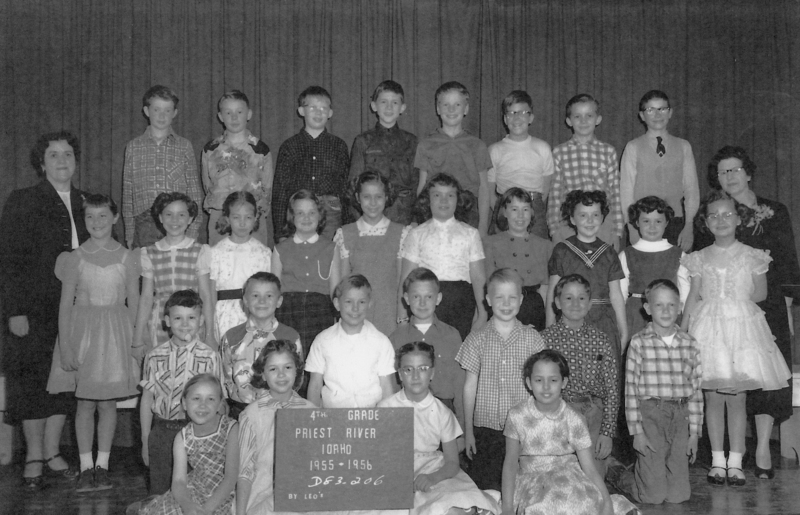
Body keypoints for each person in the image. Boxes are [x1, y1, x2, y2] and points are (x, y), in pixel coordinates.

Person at [696, 145, 800, 479]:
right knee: (732, 376)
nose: (729, 177)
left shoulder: (775, 209)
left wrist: (785, 300)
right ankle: (731, 452)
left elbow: (786, 260)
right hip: (726, 304)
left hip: (766, 302)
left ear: (749, 172)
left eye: (735, 169)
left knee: (765, 374)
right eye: (723, 172)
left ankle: (762, 451)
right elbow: (704, 261)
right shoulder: (714, 211)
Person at [681, 191, 791, 486]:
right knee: (712, 396)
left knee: (738, 397)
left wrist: (734, 303)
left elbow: (761, 293)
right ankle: (718, 461)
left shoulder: (753, 254)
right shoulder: (699, 258)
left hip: (741, 330)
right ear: (705, 222)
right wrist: (682, 330)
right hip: (708, 330)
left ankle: (737, 462)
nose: (721, 220)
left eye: (727, 214)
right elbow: (693, 296)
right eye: (714, 215)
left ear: (739, 218)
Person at [0, 131, 88, 488]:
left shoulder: (88, 201)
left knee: (64, 379)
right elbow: (9, 259)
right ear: (41, 163)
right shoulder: (23, 200)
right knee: (31, 380)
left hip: (78, 306)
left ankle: (53, 451)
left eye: (68, 153)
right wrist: (14, 309)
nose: (62, 160)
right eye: (54, 155)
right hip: (33, 307)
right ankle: (34, 455)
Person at [46, 194, 140, 492]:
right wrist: (66, 346)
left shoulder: (128, 256)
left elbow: (135, 302)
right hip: (82, 334)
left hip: (115, 335)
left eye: (103, 216)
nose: (96, 222)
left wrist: (138, 342)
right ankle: (86, 465)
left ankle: (103, 464)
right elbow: (64, 305)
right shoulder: (75, 257)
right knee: (84, 402)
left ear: (114, 218)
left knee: (108, 402)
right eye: (90, 217)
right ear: (83, 221)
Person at [502, 349, 638, 515]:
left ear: (564, 382)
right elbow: (510, 464)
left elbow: (589, 467)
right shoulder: (517, 415)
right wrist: (507, 509)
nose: (546, 387)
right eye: (538, 380)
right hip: (533, 480)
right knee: (547, 504)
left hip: (569, 478)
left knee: (587, 502)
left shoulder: (574, 418)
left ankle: (615, 506)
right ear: (529, 383)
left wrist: (607, 502)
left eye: (553, 380)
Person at [377, 342, 500, 514]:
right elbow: (377, 454)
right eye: (408, 369)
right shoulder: (385, 407)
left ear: (432, 373)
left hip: (432, 468)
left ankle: (477, 503)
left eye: (422, 368)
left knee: (451, 507)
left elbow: (452, 462)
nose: (415, 376)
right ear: (399, 375)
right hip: (395, 470)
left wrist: (433, 478)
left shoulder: (442, 412)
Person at [456, 268, 545, 491]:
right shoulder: (476, 338)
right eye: (499, 297)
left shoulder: (533, 339)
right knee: (486, 487)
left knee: (520, 487)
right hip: (484, 428)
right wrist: (468, 431)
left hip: (523, 428)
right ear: (487, 300)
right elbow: (469, 386)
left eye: (512, 297)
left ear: (521, 300)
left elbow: (541, 387)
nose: (506, 303)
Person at [616, 279, 702, 504]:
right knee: (652, 497)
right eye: (659, 305)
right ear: (647, 309)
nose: (666, 311)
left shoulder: (689, 343)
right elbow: (631, 391)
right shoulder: (638, 342)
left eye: (671, 305)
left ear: (680, 307)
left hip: (681, 417)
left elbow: (695, 390)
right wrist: (637, 432)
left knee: (679, 496)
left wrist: (694, 433)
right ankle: (618, 474)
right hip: (651, 415)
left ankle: (649, 470)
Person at [139, 290, 225, 495]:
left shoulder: (210, 357)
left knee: (194, 491)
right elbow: (147, 399)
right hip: (161, 433)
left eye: (191, 318)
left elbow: (219, 403)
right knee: (159, 492)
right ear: (167, 321)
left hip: (196, 431)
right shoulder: (153, 356)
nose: (185, 324)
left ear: (201, 320)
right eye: (178, 318)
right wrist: (145, 439)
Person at [541, 274, 619, 478]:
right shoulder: (545, 339)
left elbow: (612, 388)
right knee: (561, 477)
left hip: (594, 414)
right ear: (557, 303)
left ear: (590, 303)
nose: (575, 303)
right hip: (559, 413)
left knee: (594, 478)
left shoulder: (601, 339)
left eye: (581, 298)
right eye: (568, 298)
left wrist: (607, 432)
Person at [400, 173, 487, 340]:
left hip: (461, 303)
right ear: (427, 200)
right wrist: (402, 317)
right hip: (426, 300)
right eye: (437, 195)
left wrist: (482, 314)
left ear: (458, 199)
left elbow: (478, 278)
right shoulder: (416, 234)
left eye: (450, 195)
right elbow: (406, 279)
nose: (444, 200)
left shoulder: (470, 233)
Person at [138, 374, 238, 515]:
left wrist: (207, 509)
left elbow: (231, 477)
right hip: (195, 490)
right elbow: (178, 481)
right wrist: (187, 506)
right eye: (196, 398)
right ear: (184, 403)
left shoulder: (231, 428)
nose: (202, 405)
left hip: (225, 494)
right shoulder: (183, 437)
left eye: (210, 399)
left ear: (219, 404)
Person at [237, 340, 316, 515]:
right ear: (263, 375)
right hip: (263, 501)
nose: (281, 374)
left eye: (287, 367)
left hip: (304, 496)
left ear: (297, 371)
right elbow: (245, 471)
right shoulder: (251, 415)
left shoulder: (311, 412)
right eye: (273, 369)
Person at [546, 190, 628, 359]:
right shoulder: (562, 250)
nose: (590, 221)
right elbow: (552, 293)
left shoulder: (609, 252)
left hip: (604, 322)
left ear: (602, 218)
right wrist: (549, 328)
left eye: (595, 215)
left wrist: (623, 328)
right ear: (572, 219)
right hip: (571, 320)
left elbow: (616, 295)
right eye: (583, 215)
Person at [132, 192, 216, 352]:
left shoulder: (199, 251)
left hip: (191, 320)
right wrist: (137, 337)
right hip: (161, 322)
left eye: (181, 214)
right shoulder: (150, 252)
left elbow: (206, 295)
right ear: (160, 218)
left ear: (190, 218)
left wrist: (210, 334)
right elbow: (146, 297)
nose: (175, 220)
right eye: (169, 214)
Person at [122, 85, 203, 248]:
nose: (161, 115)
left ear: (174, 113)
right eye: (156, 109)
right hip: (144, 224)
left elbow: (194, 191)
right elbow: (127, 193)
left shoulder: (184, 146)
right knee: (148, 271)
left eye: (167, 110)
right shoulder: (133, 147)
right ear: (146, 111)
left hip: (178, 223)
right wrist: (130, 233)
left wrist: (193, 230)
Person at [620, 90, 699, 252]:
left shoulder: (684, 146)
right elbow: (626, 190)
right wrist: (632, 229)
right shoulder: (633, 147)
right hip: (643, 223)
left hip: (675, 223)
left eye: (662, 109)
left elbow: (691, 188)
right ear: (642, 116)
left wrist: (689, 225)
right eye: (650, 110)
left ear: (670, 113)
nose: (657, 114)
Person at [334, 171, 410, 335]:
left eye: (379, 197)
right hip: (357, 312)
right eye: (367, 197)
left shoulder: (400, 233)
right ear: (357, 197)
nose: (373, 202)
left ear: (387, 197)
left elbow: (401, 282)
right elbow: (344, 282)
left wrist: (402, 316)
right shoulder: (345, 234)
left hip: (389, 312)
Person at [389, 268, 465, 431]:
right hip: (408, 413)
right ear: (406, 299)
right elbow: (393, 387)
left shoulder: (452, 336)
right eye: (416, 297)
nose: (422, 303)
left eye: (428, 297)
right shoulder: (396, 338)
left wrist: (462, 429)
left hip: (444, 413)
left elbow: (459, 385)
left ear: (438, 299)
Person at [272, 85, 350, 241]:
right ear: (301, 111)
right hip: (299, 212)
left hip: (331, 213)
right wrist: (281, 231)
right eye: (312, 107)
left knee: (330, 257)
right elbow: (280, 190)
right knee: (300, 260)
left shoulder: (339, 145)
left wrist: (347, 225)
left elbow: (345, 187)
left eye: (323, 108)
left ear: (330, 113)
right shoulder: (290, 146)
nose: (318, 112)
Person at [306, 274, 396, 408]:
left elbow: (387, 387)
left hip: (371, 417)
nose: (355, 308)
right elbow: (315, 385)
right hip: (333, 416)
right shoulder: (322, 340)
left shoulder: (381, 342)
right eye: (348, 302)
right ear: (337, 304)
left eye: (362, 302)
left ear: (370, 303)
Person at [414, 81, 492, 235]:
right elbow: (422, 186)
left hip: (469, 216)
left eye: (457, 105)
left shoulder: (477, 145)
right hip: (435, 214)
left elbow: (484, 188)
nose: (451, 109)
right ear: (437, 109)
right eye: (445, 105)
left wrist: (482, 227)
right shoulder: (426, 145)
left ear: (466, 109)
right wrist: (421, 221)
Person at [220, 272, 301, 419]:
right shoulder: (231, 337)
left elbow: (297, 377)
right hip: (240, 410)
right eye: (255, 295)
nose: (262, 301)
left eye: (269, 296)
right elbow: (226, 377)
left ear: (279, 301)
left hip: (280, 410)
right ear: (244, 300)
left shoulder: (291, 336)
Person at [271, 189, 340, 359]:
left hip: (320, 311)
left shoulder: (331, 248)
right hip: (289, 311)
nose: (306, 218)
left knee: (318, 358)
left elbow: (336, 289)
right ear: (292, 217)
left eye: (311, 212)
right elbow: (274, 288)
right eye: (300, 213)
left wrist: (337, 319)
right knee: (291, 357)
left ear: (320, 215)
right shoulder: (280, 249)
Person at [548, 93, 623, 249]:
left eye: (589, 115)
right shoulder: (559, 152)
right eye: (577, 116)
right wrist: (554, 230)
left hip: (602, 222)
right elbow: (555, 195)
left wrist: (616, 231)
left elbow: (615, 194)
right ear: (569, 121)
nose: (583, 121)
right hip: (569, 222)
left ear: (598, 119)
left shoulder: (607, 151)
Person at [202, 89, 274, 246]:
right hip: (220, 214)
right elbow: (207, 183)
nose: (234, 117)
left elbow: (267, 186)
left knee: (255, 264)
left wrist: (258, 213)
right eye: (228, 113)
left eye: (239, 112)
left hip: (251, 216)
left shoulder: (260, 149)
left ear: (248, 114)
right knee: (219, 263)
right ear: (220, 117)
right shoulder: (211, 149)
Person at [348, 79, 418, 225]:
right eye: (383, 102)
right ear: (374, 106)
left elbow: (416, 184)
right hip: (371, 216)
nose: (389, 107)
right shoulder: (363, 141)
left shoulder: (411, 141)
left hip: (403, 216)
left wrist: (415, 220)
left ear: (403, 107)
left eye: (395, 103)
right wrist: (359, 221)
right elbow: (354, 185)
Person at [619, 196, 690, 338]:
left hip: (668, 316)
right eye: (646, 221)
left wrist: (683, 325)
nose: (652, 226)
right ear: (637, 222)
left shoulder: (678, 254)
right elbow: (621, 292)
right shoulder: (627, 254)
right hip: (636, 317)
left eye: (658, 221)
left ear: (667, 222)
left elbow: (685, 292)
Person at [487, 90, 553, 239]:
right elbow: (489, 189)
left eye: (522, 112)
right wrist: (501, 209)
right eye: (511, 113)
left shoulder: (542, 148)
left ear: (531, 118)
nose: (516, 118)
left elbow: (546, 187)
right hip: (505, 205)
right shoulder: (495, 150)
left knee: (537, 252)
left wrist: (531, 207)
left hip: (534, 207)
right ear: (505, 119)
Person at [484, 187, 552, 330]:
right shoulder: (490, 243)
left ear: (532, 213)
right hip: (503, 305)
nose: (520, 215)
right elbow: (489, 286)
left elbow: (545, 289)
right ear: (504, 212)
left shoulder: (544, 245)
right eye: (514, 209)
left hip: (533, 307)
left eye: (525, 209)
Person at [209, 191, 272, 342]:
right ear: (227, 218)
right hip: (224, 316)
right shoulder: (215, 252)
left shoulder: (263, 252)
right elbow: (210, 293)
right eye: (236, 217)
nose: (242, 223)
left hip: (255, 313)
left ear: (256, 218)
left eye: (248, 217)